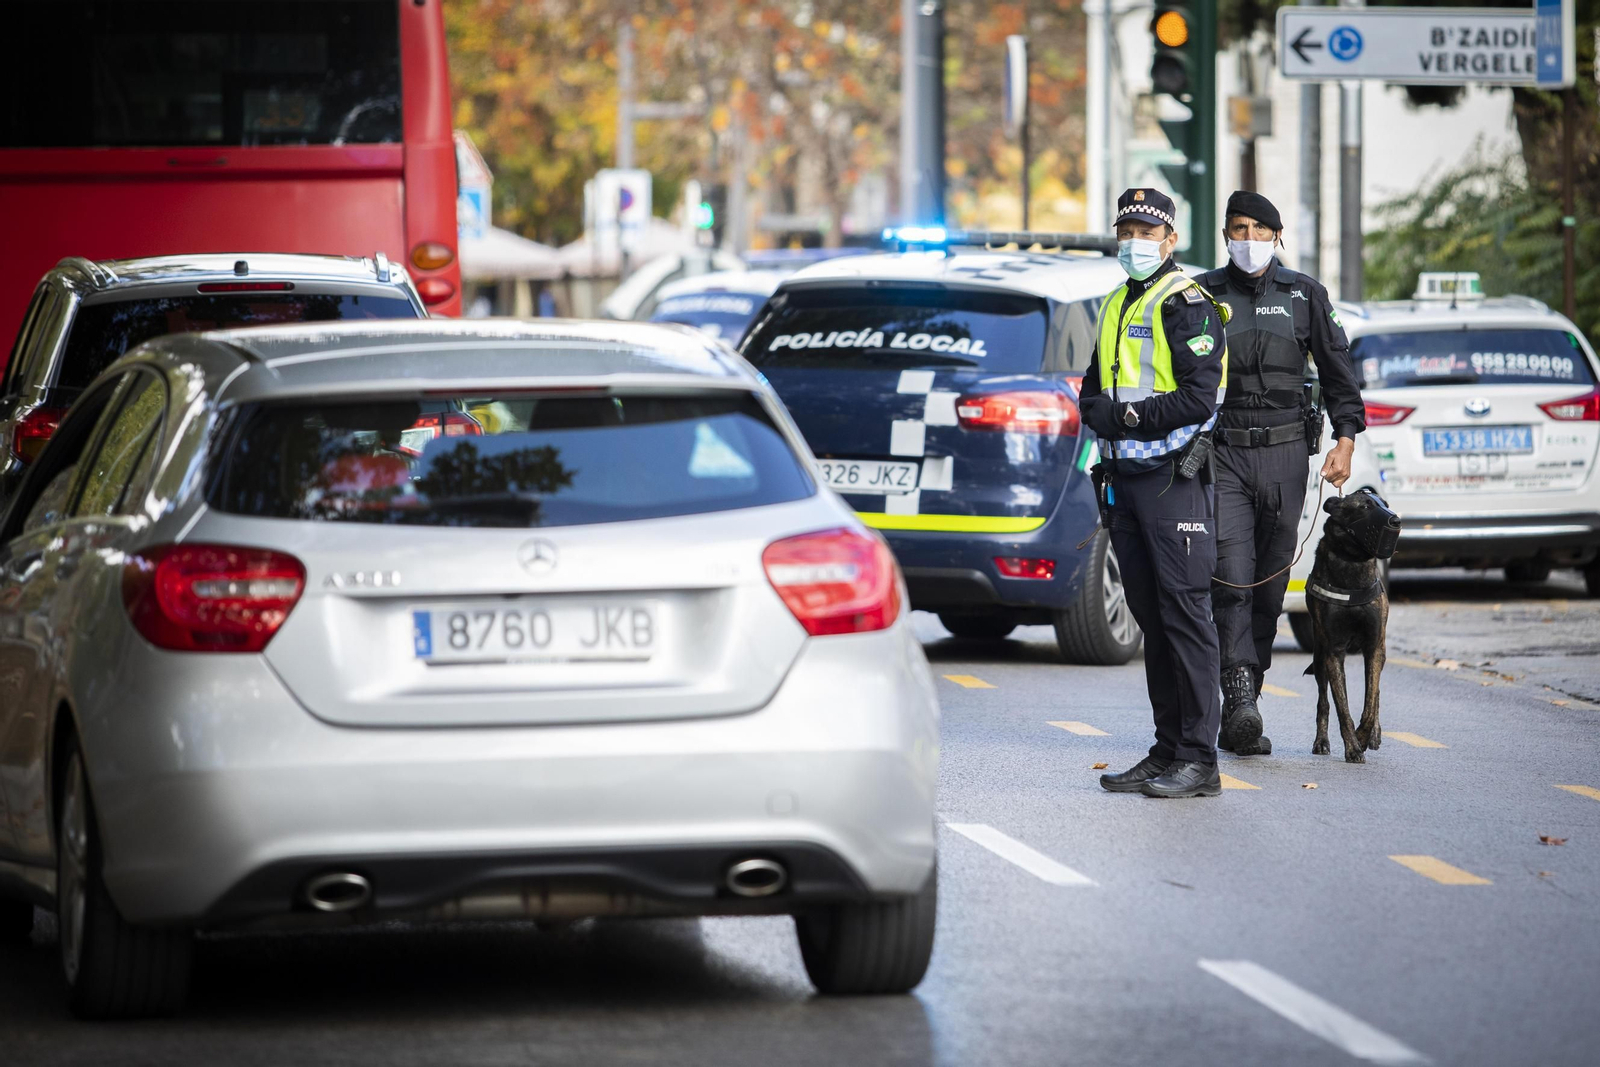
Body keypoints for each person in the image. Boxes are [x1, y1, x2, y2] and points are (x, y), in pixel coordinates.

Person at [1197, 191, 1366, 756]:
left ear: (1276, 236)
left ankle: (1246, 698)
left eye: (1258, 229)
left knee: (1269, 588)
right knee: (1231, 577)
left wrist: (1345, 440)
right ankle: (1240, 696)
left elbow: (1339, 372)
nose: (1247, 239)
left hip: (1287, 455)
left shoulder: (1304, 294)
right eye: (1237, 228)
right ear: (1225, 234)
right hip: (1224, 455)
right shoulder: (1201, 294)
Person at [1082, 188, 1230, 799]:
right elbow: (1093, 387)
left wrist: (1129, 418)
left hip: (1172, 478)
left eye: (1146, 232)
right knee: (1152, 617)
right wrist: (1100, 413)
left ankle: (1200, 759)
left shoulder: (1186, 302)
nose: (1134, 242)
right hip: (1125, 480)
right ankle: (1167, 749)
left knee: (1185, 615)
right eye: (1126, 231)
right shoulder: (1117, 300)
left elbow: (1200, 396)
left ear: (1170, 240)